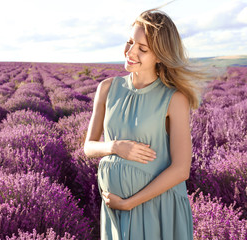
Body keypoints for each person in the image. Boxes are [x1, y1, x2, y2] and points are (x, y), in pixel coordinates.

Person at [84, 8, 202, 240]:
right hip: (115, 208)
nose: (131, 52)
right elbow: (88, 147)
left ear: (160, 55)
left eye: (142, 48)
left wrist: (130, 203)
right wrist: (115, 147)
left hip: (157, 208)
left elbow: (181, 169)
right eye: (130, 42)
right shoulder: (107, 88)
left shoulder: (174, 98)